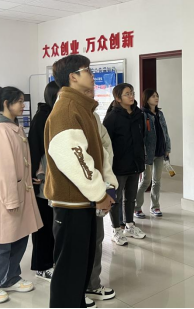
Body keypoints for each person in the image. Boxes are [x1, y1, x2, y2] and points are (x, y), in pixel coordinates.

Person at [44, 55, 116, 309]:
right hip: (71, 204)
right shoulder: (66, 110)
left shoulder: (82, 108)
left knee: (80, 269)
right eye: (87, 70)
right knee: (69, 272)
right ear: (73, 77)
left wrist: (106, 186)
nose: (92, 75)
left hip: (83, 202)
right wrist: (99, 193)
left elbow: (98, 153)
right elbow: (76, 161)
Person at [0, 87, 43, 305]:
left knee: (20, 236)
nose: (23, 105)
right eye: (19, 101)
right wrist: (11, 199)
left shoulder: (14, 126)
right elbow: (3, 170)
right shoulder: (0, 130)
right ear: (6, 103)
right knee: (1, 242)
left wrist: (33, 174)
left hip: (21, 191)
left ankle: (10, 277)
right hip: (7, 196)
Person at [83, 87, 117, 303]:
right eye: (86, 91)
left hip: (97, 186)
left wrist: (108, 186)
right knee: (79, 242)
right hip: (77, 193)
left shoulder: (93, 117)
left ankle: (92, 284)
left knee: (95, 238)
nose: (92, 95)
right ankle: (79, 289)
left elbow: (105, 149)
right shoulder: (66, 116)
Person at [104, 84, 147, 246]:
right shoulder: (112, 118)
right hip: (118, 166)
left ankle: (130, 225)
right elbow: (106, 144)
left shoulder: (138, 114)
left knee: (130, 198)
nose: (131, 96)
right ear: (118, 98)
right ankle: (116, 230)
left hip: (135, 164)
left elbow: (141, 137)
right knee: (115, 199)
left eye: (132, 93)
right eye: (127, 94)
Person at [28, 81, 59, 282]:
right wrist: (34, 175)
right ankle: (42, 266)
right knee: (44, 224)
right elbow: (34, 149)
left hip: (54, 179)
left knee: (52, 223)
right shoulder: (42, 117)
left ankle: (51, 261)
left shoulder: (55, 114)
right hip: (43, 179)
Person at [135, 89, 171, 219]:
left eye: (157, 96)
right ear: (146, 99)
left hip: (160, 152)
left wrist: (167, 148)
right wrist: (143, 152)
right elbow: (141, 135)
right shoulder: (142, 114)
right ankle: (137, 208)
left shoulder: (160, 114)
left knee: (157, 181)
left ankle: (155, 206)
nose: (156, 98)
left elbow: (165, 132)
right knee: (146, 181)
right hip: (147, 154)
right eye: (153, 96)